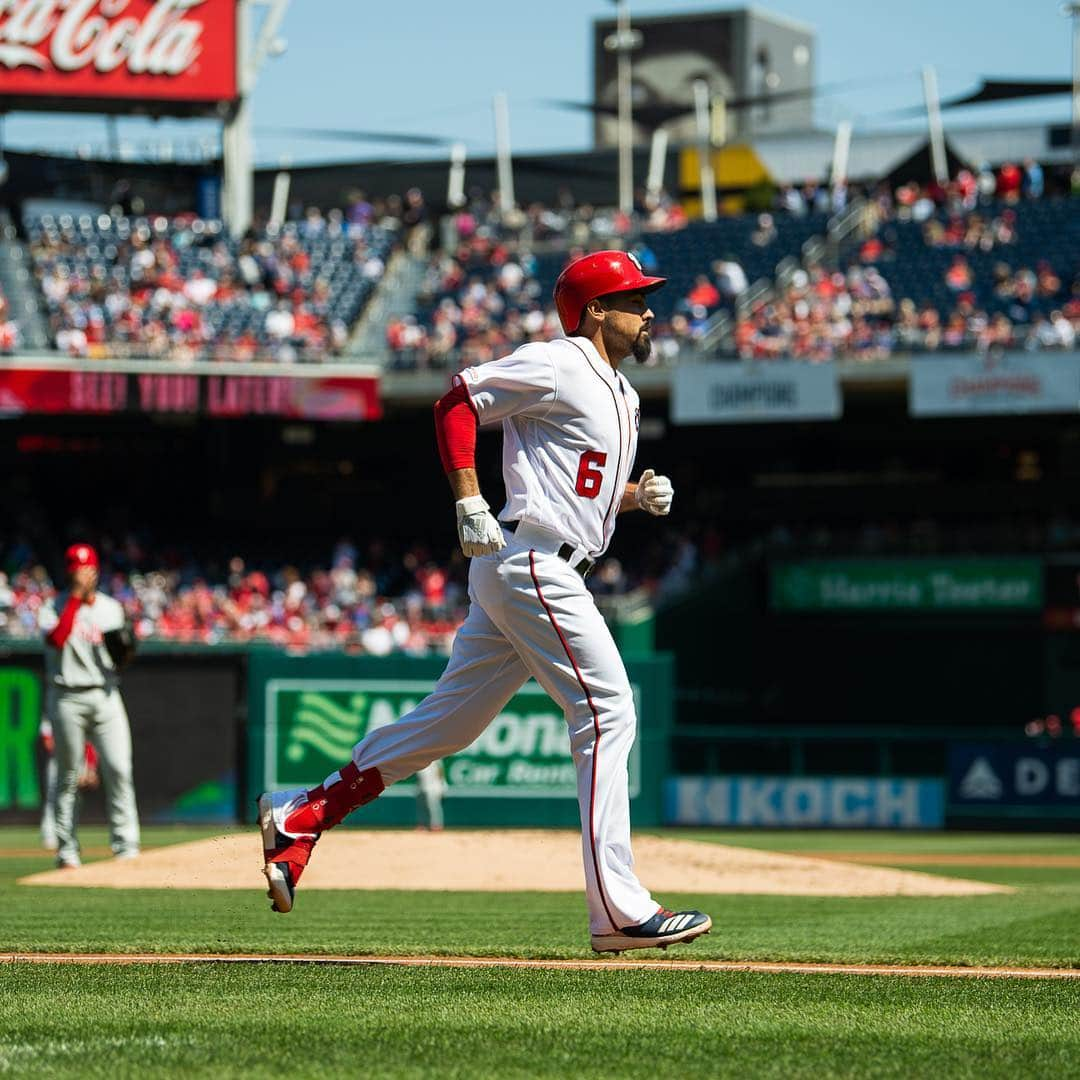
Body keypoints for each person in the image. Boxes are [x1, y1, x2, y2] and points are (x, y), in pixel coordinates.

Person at [259, 250, 712, 954]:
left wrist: (631, 497)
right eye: (634, 298)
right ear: (595, 311)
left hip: (544, 564)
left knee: (449, 727)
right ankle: (618, 910)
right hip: (533, 561)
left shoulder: (622, 394)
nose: (649, 309)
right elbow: (456, 401)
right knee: (608, 708)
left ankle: (303, 813)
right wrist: (469, 500)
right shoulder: (560, 362)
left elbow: (575, 486)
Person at [38, 543, 140, 868]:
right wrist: (74, 599)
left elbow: (121, 656)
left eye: (88, 568)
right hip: (67, 695)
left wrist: (125, 653)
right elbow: (56, 639)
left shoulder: (110, 608)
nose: (83, 573)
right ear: (69, 572)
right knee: (68, 776)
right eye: (77, 568)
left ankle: (127, 847)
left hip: (106, 694)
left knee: (120, 769)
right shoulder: (52, 607)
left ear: (96, 570)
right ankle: (66, 850)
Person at [415, 760, 446, 831]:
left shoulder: (436, 759)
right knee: (422, 807)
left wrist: (442, 785)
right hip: (422, 785)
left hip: (434, 786)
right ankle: (422, 825)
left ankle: (436, 825)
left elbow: (440, 773)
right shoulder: (419, 759)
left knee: (434, 807)